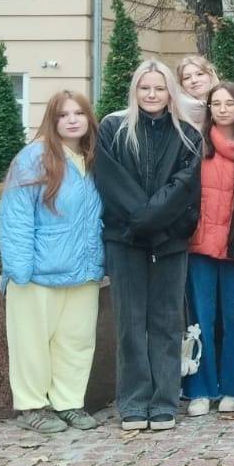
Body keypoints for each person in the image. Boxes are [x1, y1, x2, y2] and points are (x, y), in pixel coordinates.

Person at [94, 61, 202, 432]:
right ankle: (134, 401)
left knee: (166, 323)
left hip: (169, 243)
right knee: (129, 323)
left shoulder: (187, 135)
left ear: (170, 92)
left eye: (159, 89)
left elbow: (183, 187)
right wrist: (142, 220)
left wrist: (152, 223)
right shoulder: (112, 128)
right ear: (135, 91)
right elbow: (111, 181)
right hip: (124, 241)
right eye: (145, 88)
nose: (152, 95)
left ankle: (164, 402)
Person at [0, 90, 105, 434]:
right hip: (38, 272)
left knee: (76, 341)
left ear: (89, 118)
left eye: (78, 113)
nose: (72, 120)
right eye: (63, 115)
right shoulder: (33, 158)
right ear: (52, 120)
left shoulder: (92, 158)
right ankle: (32, 406)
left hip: (83, 270)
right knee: (31, 343)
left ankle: (69, 402)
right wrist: (19, 269)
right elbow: (16, 216)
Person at [184, 81, 234, 417]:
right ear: (209, 109)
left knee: (233, 318)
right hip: (199, 245)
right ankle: (200, 388)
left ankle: (232, 387)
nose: (223, 109)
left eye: (230, 103)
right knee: (201, 319)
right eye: (217, 103)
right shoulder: (195, 145)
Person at [176, 56, 218, 127]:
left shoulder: (226, 105)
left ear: (211, 76)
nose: (194, 80)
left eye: (200, 74)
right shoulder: (175, 113)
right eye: (187, 78)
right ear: (181, 84)